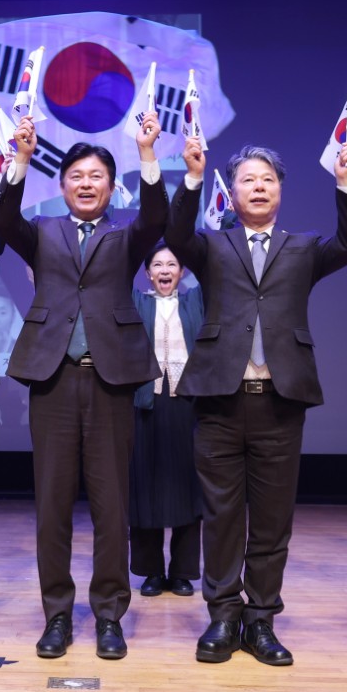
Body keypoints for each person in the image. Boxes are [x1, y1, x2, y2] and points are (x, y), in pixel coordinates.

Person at [167, 134, 347, 666]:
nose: (258, 187)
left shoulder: (303, 248)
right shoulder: (212, 246)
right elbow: (175, 234)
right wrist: (192, 177)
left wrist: (346, 183)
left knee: (273, 519)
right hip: (220, 399)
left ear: (280, 190)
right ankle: (222, 616)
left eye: (268, 180)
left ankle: (260, 621)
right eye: (248, 180)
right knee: (221, 515)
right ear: (232, 193)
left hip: (280, 400)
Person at [0, 112, 167, 660]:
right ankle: (58, 615)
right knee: (52, 505)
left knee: (112, 506)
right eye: (76, 176)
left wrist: (146, 152)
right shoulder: (43, 231)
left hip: (111, 379)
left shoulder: (127, 232)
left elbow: (158, 215)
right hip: (54, 379)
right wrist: (21, 159)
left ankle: (109, 615)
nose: (86, 184)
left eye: (96, 176)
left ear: (111, 186)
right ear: (63, 184)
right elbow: (1, 218)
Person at [129, 243, 204, 598]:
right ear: (147, 273)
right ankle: (152, 571)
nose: (164, 270)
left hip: (186, 404)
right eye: (157, 264)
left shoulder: (194, 301)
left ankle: (183, 571)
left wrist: (224, 225)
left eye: (172, 264)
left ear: (182, 272)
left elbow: (215, 270)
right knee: (144, 487)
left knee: (188, 487)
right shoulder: (137, 302)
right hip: (144, 402)